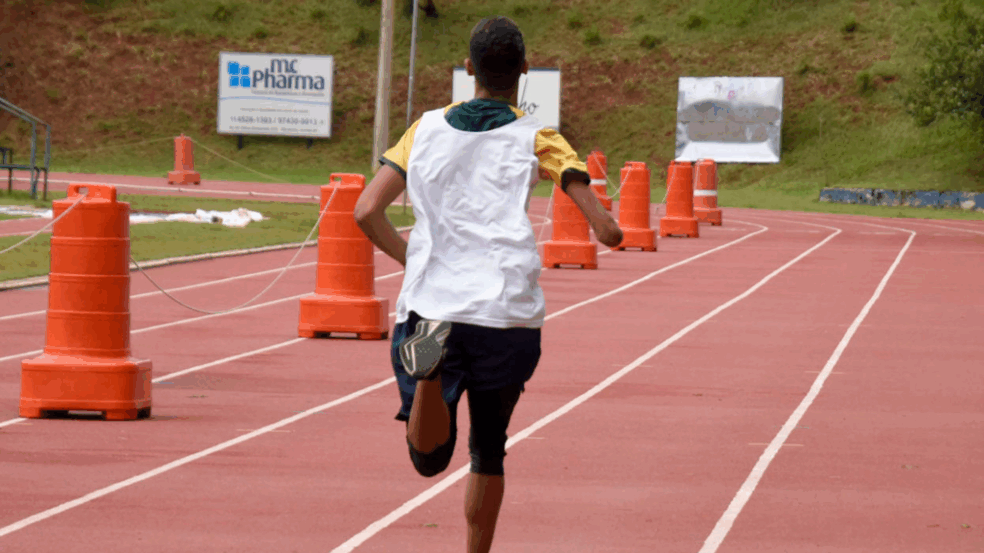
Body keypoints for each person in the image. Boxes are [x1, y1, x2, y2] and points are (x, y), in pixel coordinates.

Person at [353, 15, 623, 553]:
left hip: (432, 306)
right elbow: (607, 229)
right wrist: (608, 226)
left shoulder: (424, 128)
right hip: (506, 313)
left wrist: (414, 259)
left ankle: (428, 378)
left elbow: (365, 210)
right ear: (524, 71)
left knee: (428, 460)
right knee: (489, 450)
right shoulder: (539, 136)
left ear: (469, 68)